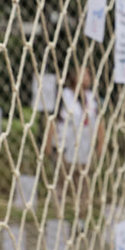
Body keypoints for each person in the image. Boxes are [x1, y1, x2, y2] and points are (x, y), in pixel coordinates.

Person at [45, 66, 104, 212]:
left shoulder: (93, 97)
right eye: (83, 74)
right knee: (61, 180)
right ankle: (58, 210)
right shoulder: (64, 96)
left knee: (83, 181)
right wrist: (48, 143)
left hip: (85, 148)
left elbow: (99, 123)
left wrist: (100, 144)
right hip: (64, 146)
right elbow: (52, 120)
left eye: (88, 74)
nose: (87, 77)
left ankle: (82, 212)